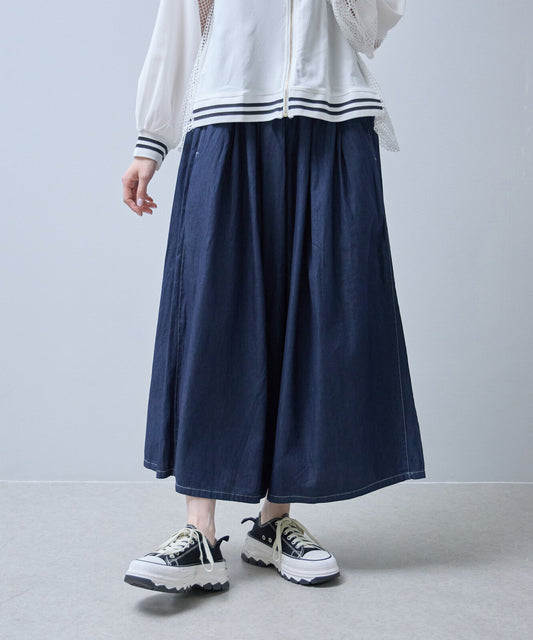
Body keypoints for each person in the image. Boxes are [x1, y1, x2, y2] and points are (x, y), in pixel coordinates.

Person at [121, 0, 426, 593]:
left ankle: (274, 523)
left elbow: (373, 26)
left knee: (319, 324)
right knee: (214, 322)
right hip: (227, 117)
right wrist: (150, 141)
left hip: (331, 121)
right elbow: (177, 26)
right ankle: (200, 531)